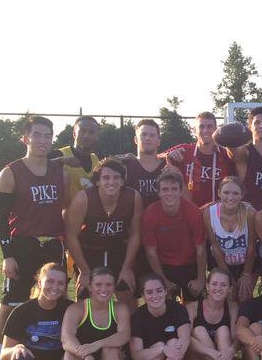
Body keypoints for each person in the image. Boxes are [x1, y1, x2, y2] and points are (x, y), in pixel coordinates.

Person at [0, 115, 66, 360]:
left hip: (53, 244)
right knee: (10, 303)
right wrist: (7, 255)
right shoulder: (10, 173)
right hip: (24, 244)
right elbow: (1, 220)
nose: (43, 140)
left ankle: (48, 354)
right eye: (37, 135)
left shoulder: (59, 170)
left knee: (55, 300)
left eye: (47, 135)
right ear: (26, 138)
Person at [64, 158, 142, 302]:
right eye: (106, 177)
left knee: (127, 292)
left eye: (116, 177)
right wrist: (84, 270)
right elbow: (71, 235)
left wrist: (127, 267)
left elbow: (135, 233)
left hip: (118, 248)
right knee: (86, 295)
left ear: (123, 181)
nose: (111, 182)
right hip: (89, 250)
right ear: (97, 181)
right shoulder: (84, 198)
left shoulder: (133, 197)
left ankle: (127, 324)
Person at [141, 168, 207, 300]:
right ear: (158, 192)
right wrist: (163, 280)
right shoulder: (150, 213)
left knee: (194, 307)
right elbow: (151, 252)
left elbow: (201, 249)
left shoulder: (193, 212)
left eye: (174, 189)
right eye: (165, 189)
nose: (169, 193)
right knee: (164, 305)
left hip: (190, 264)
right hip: (163, 265)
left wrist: (200, 280)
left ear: (180, 191)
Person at [183, 268, 241, 360]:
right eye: (214, 284)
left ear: (230, 289)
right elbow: (185, 338)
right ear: (207, 286)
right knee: (198, 330)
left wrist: (230, 352)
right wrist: (213, 353)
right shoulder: (192, 307)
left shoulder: (233, 307)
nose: (218, 288)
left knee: (223, 330)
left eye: (224, 285)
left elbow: (236, 337)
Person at [163, 111, 237, 206]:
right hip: (189, 212)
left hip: (216, 212)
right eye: (201, 126)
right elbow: (156, 156)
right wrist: (168, 154)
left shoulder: (225, 154)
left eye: (209, 126)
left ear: (216, 130)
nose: (205, 130)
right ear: (195, 130)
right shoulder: (185, 150)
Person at [202, 175, 257, 301]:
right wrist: (229, 277)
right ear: (219, 193)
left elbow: (252, 246)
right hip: (222, 263)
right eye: (226, 192)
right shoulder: (209, 213)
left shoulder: (250, 213)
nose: (230, 197)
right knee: (228, 296)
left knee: (244, 296)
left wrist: (246, 274)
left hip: (246, 263)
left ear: (242, 195)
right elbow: (215, 247)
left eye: (235, 193)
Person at [120, 118, 169, 208]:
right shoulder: (125, 167)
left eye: (152, 135)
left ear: (158, 141)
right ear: (136, 139)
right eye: (144, 134)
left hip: (162, 220)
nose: (147, 138)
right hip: (134, 220)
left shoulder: (168, 166)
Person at [52, 115, 101, 204]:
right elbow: (36, 165)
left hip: (89, 214)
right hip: (64, 214)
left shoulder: (96, 159)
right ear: (74, 134)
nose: (87, 136)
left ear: (97, 136)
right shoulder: (59, 154)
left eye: (92, 132)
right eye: (82, 131)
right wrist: (62, 160)